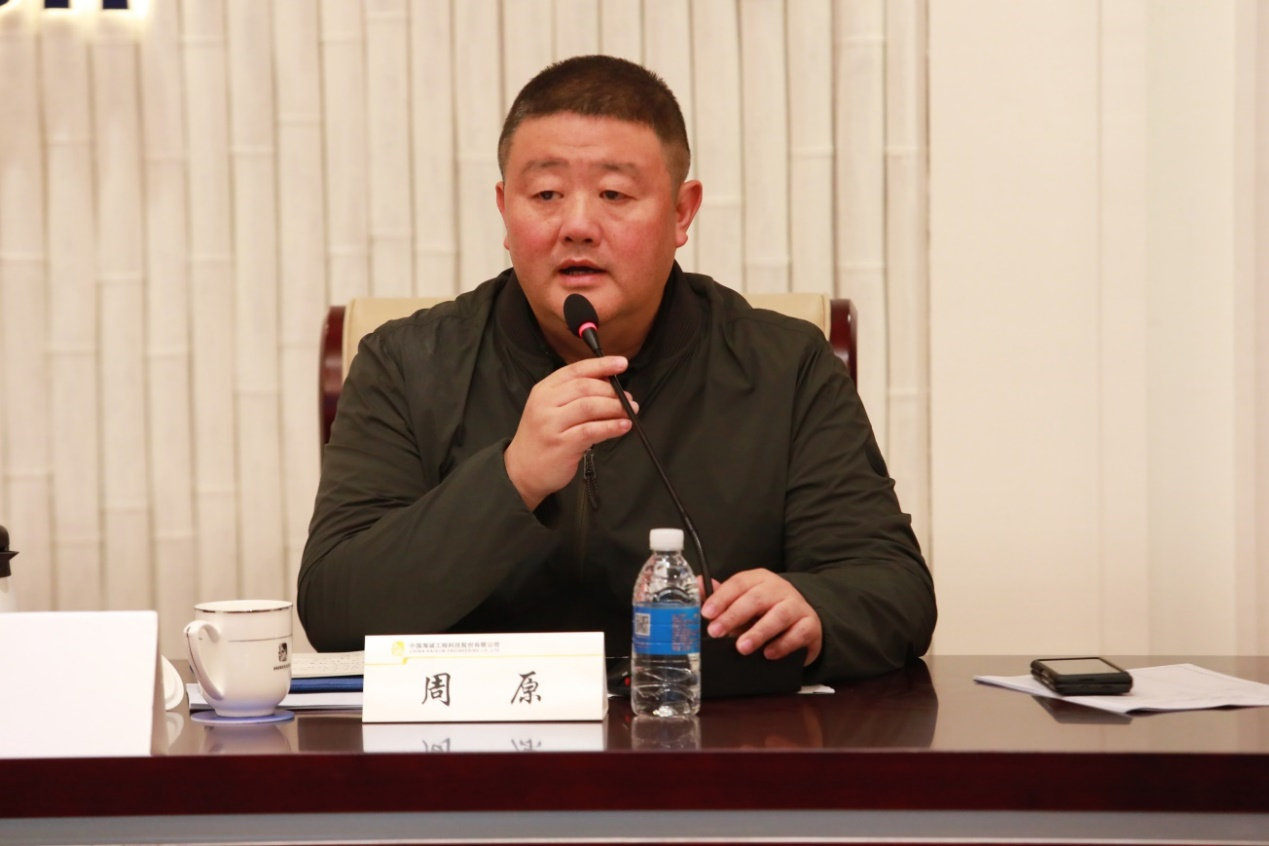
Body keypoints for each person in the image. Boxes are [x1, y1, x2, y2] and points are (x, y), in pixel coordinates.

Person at [299, 55, 936, 682]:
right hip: (469, 740)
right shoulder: (406, 364)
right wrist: (512, 477)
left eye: (614, 194)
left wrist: (816, 609)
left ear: (682, 212)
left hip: (708, 735)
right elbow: (336, 611)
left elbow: (894, 589)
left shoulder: (784, 366)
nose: (577, 225)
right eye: (545, 194)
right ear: (504, 209)